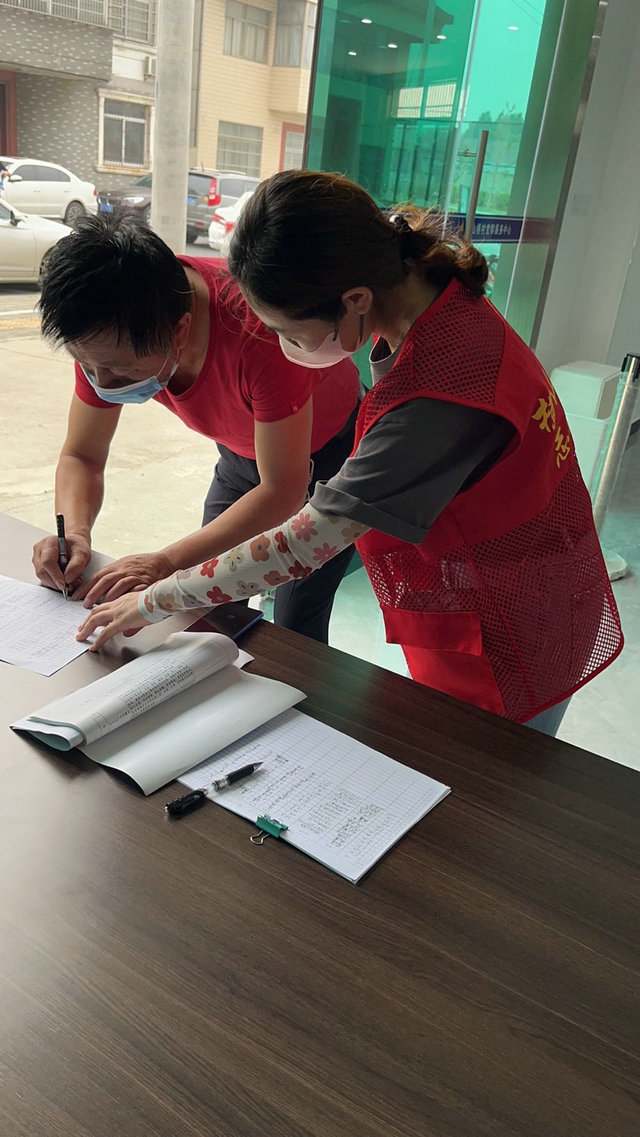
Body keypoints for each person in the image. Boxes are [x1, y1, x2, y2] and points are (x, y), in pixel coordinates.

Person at [76, 171, 624, 737]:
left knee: (484, 769)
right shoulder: (434, 301)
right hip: (504, 582)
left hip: (513, 621)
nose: (289, 349)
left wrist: (156, 599)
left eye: (290, 332)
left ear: (355, 299)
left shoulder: (440, 394)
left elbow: (304, 542)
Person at [32, 209, 361, 643]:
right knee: (205, 606)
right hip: (241, 453)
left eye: (118, 370)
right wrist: (74, 531)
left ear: (180, 331)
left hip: (329, 456)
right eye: (87, 365)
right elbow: (82, 454)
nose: (101, 383)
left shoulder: (259, 330)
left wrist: (165, 563)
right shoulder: (104, 333)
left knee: (294, 621)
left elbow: (282, 490)